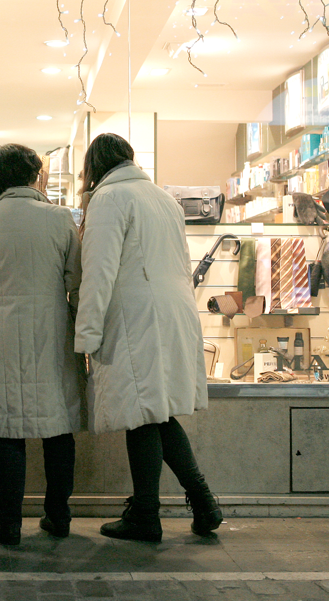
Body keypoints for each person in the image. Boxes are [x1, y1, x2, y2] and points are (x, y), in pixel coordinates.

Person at [73, 133, 222, 543]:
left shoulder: (108, 200)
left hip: (136, 315)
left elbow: (99, 273)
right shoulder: (162, 198)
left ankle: (145, 513)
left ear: (94, 167)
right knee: (156, 411)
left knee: (141, 413)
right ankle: (203, 502)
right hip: (173, 310)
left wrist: (85, 335)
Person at [0, 144, 83, 546]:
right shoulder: (61, 219)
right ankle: (58, 515)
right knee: (57, 425)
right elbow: (74, 277)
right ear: (35, 175)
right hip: (51, 331)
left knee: (8, 428)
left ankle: (8, 522)